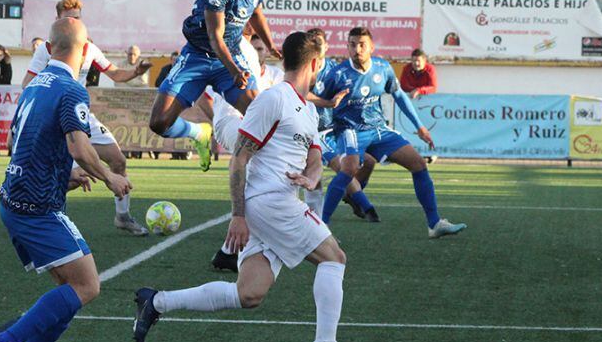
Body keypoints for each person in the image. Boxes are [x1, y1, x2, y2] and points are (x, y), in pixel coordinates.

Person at [132, 31, 371, 342]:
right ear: (313, 64)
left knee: (249, 294)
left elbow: (315, 158)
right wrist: (237, 215)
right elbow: (240, 158)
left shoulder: (308, 111)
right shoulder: (273, 100)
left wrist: (312, 177)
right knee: (334, 258)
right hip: (271, 201)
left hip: (275, 202)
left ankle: (156, 302)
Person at [0, 16, 132, 342]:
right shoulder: (71, 89)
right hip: (37, 207)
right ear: (84, 51)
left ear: (48, 49)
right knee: (88, 285)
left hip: (15, 198)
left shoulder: (34, 86)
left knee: (70, 287)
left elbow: (26, 145)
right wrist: (108, 177)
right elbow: (79, 147)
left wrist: (66, 177)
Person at [315, 26, 466, 238]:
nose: (356, 49)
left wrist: (419, 127)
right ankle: (321, 229)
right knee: (348, 169)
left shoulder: (382, 68)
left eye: (362, 45)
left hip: (378, 129)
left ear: (371, 47)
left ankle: (434, 224)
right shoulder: (337, 74)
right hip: (349, 129)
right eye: (352, 45)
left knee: (418, 164)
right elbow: (317, 101)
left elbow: (400, 97)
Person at [24, 0, 152, 236]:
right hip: (57, 116)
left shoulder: (89, 48)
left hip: (80, 112)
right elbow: (27, 84)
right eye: (69, 17)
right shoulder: (47, 49)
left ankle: (123, 217)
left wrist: (136, 71)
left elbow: (114, 73)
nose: (74, 21)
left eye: (77, 17)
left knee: (118, 160)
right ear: (58, 19)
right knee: (73, 177)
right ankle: (35, 207)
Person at [150, 0, 282, 171]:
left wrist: (271, 46)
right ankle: (198, 132)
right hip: (197, 57)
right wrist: (234, 71)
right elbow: (215, 37)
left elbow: (257, 14)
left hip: (228, 59)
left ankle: (272, 172)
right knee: (159, 123)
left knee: (259, 114)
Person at [197, 27, 284, 272]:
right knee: (268, 159)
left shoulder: (271, 71)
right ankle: (259, 236)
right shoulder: (230, 49)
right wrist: (216, 120)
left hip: (248, 122)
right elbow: (203, 93)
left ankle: (230, 250)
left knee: (266, 168)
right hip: (234, 121)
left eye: (261, 48)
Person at [305, 27, 380, 221]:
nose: (316, 46)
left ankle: (351, 195)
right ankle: (366, 207)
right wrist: (325, 102)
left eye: (319, 43)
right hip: (314, 131)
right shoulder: (304, 68)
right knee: (341, 166)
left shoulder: (335, 70)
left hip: (335, 128)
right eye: (312, 43)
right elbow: (301, 94)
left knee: (369, 162)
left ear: (326, 46)